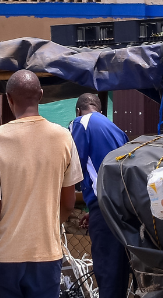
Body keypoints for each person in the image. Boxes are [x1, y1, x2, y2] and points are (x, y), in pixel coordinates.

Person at [0, 70, 84, 298]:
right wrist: (46, 225)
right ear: (41, 95)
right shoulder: (64, 137)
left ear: (9, 98)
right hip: (46, 255)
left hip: (3, 258)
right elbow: (68, 201)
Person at [69, 93, 131, 298]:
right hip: (123, 209)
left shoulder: (80, 123)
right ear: (101, 111)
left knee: (105, 270)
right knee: (119, 271)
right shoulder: (117, 130)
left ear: (78, 110)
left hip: (103, 207)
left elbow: (73, 166)